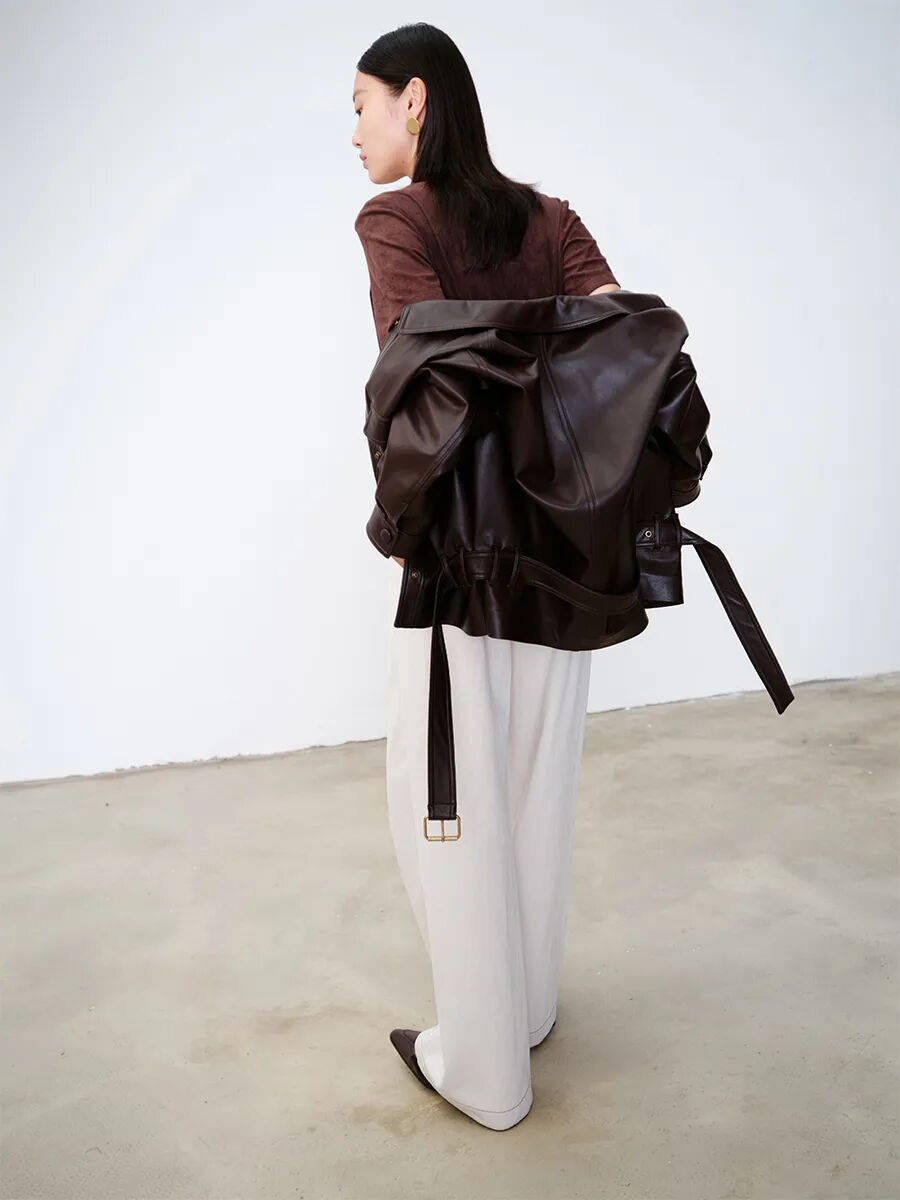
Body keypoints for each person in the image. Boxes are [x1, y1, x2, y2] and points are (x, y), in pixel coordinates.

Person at [351, 22, 621, 1131]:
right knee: (535, 795)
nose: (353, 133)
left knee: (447, 817)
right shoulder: (553, 222)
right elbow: (616, 345)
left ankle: (484, 1074)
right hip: (563, 560)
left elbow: (425, 371)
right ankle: (527, 1010)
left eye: (361, 106)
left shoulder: (396, 221)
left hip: (460, 560)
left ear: (414, 100)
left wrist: (402, 517)